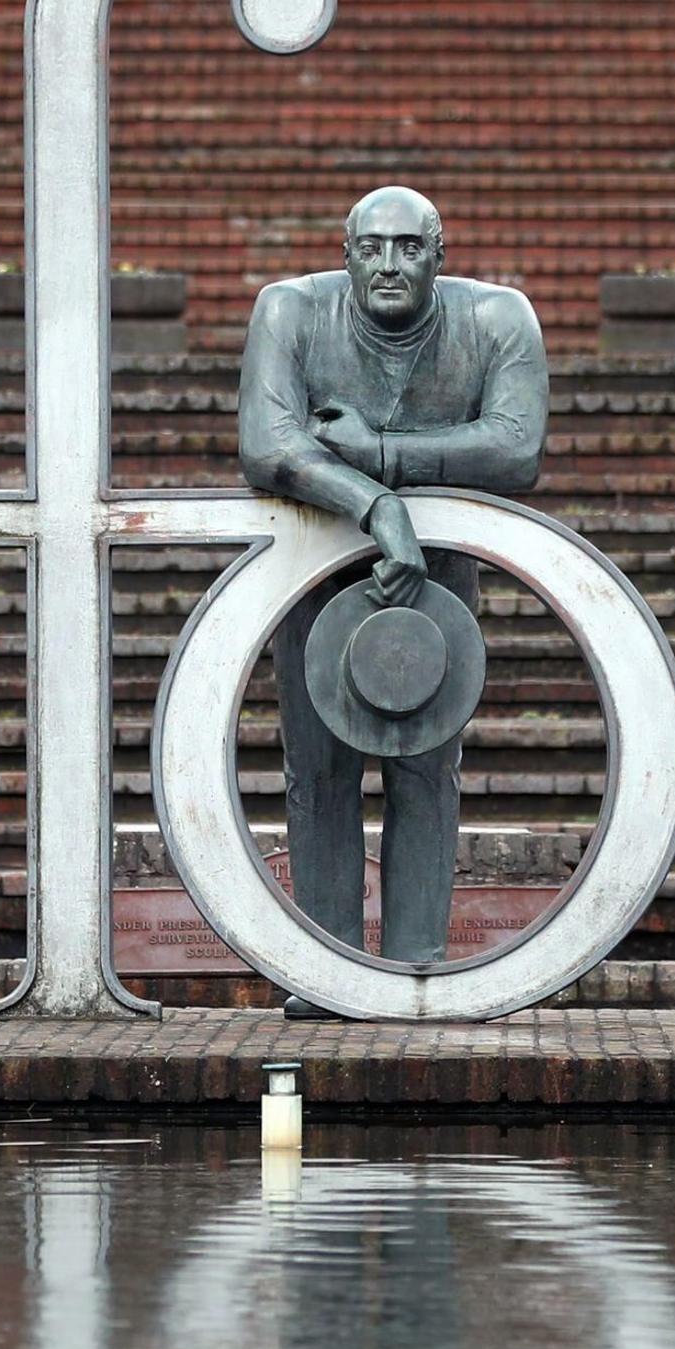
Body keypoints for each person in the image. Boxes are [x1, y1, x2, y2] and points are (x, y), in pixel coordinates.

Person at [237, 185, 548, 996]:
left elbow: (517, 451)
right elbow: (266, 445)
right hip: (313, 567)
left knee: (425, 768)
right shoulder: (291, 312)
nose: (387, 263)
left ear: (439, 258)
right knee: (318, 770)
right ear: (345, 257)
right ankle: (323, 971)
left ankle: (417, 964)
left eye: (408, 247)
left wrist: (381, 452)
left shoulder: (496, 320)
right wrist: (375, 504)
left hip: (437, 580)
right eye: (370, 248)